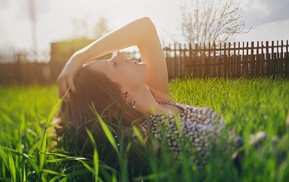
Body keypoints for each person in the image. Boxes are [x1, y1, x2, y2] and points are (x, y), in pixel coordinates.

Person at [54, 17, 237, 170]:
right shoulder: (141, 136)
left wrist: (80, 56)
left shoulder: (161, 99)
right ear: (121, 95)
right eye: (113, 65)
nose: (120, 56)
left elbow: (145, 28)